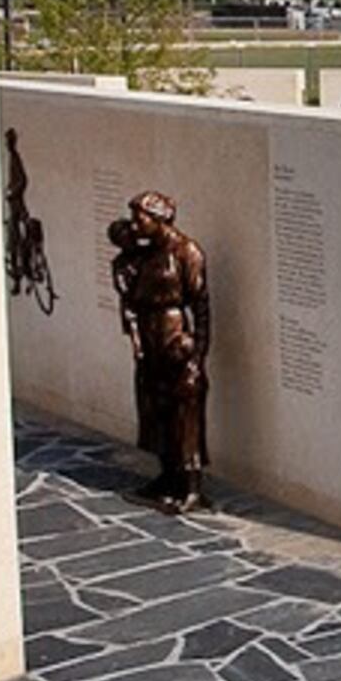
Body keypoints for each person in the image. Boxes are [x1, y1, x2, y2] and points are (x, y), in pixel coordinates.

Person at [106, 190, 210, 513]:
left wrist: (197, 357)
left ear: (159, 218)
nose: (135, 225)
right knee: (156, 413)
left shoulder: (186, 252)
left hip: (175, 340)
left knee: (185, 415)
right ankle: (167, 478)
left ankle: (191, 487)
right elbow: (131, 300)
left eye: (140, 218)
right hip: (150, 346)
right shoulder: (144, 255)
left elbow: (202, 307)